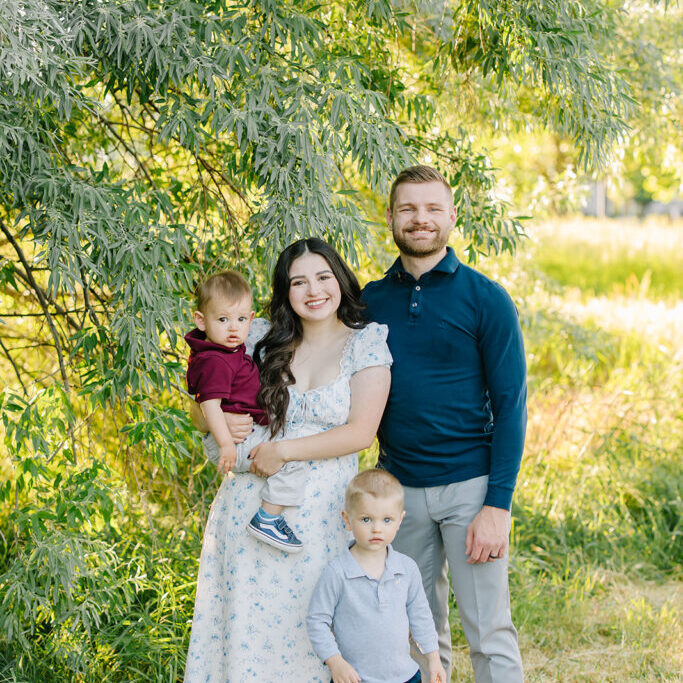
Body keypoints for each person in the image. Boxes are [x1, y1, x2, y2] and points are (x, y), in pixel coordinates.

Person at [184, 238, 393, 682]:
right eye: (299, 281)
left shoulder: (367, 343)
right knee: (249, 634)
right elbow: (204, 390)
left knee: (311, 633)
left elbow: (360, 433)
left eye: (322, 277)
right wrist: (216, 425)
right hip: (247, 509)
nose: (313, 290)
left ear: (340, 279)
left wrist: (283, 450)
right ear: (285, 291)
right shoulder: (258, 335)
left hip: (322, 519)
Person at [362, 165, 527, 682]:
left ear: (452, 216)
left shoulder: (486, 298)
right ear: (390, 217)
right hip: (398, 494)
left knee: (490, 631)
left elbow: (512, 405)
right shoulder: (369, 301)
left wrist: (498, 505)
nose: (420, 219)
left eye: (433, 208)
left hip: (470, 490)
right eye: (408, 208)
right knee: (413, 636)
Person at [185, 269, 304, 552]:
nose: (233, 328)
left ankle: (269, 515)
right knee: (292, 462)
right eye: (223, 320)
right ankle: (268, 518)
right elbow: (208, 404)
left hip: (235, 438)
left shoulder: (229, 349)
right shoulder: (216, 360)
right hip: (233, 443)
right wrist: (226, 443)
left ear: (251, 319)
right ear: (201, 321)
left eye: (240, 320)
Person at [307, 469, 447, 683]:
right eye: (366, 519)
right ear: (347, 519)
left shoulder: (406, 569)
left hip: (405, 676)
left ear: (400, 520)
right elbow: (317, 620)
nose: (377, 529)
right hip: (355, 677)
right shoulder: (338, 572)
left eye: (387, 520)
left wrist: (434, 659)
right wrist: (335, 662)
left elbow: (421, 617)